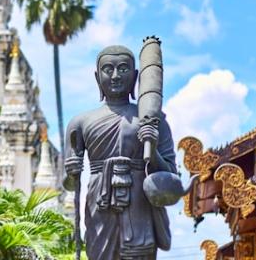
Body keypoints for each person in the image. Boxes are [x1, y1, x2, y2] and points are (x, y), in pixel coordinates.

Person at [63, 45, 177, 260]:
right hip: (100, 205)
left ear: (135, 77)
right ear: (98, 77)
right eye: (108, 69)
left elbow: (171, 177)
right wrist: (71, 173)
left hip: (140, 206)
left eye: (123, 69)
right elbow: (69, 185)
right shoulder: (80, 123)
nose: (115, 76)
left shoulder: (153, 120)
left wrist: (151, 149)